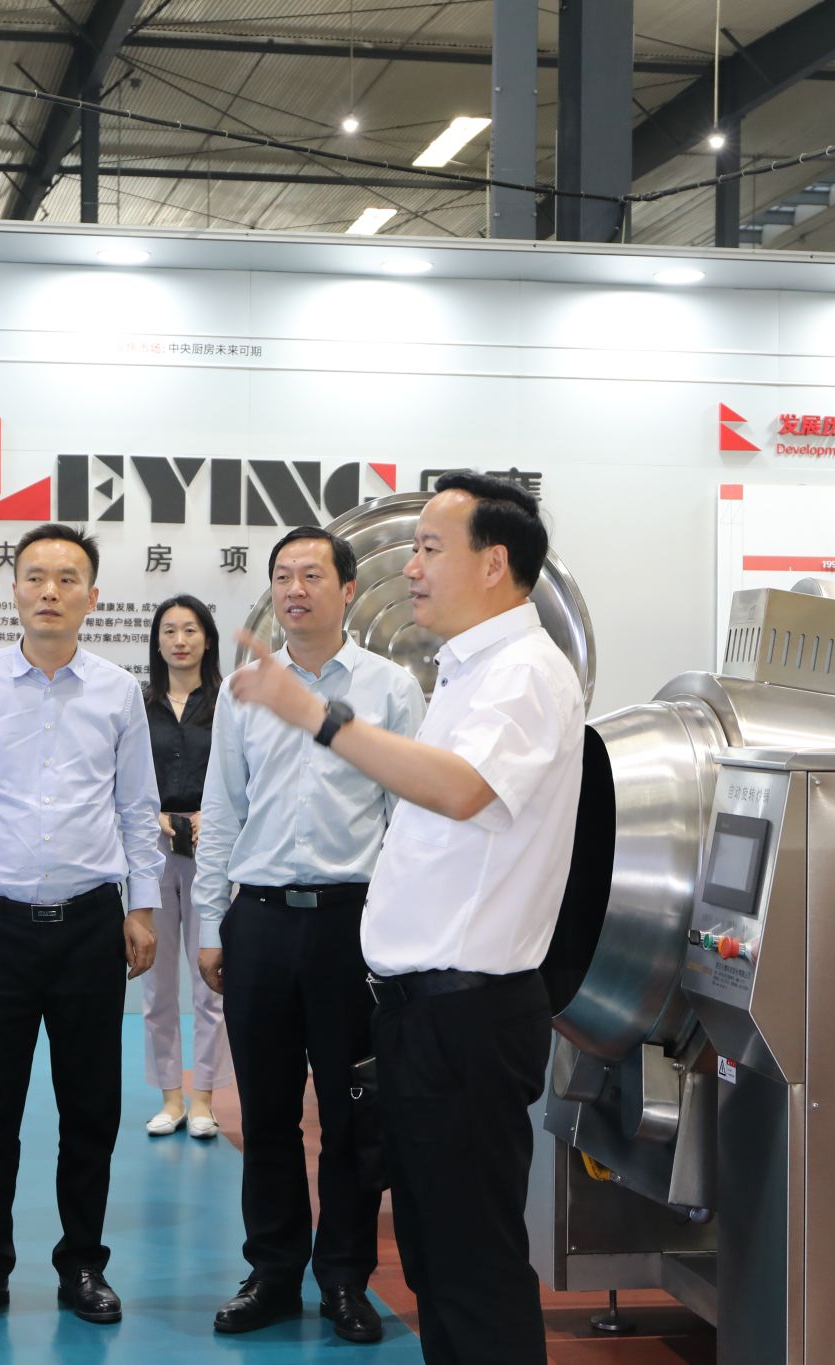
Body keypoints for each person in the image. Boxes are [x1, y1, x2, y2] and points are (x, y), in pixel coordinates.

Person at [225, 472, 583, 1364]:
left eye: (429, 548)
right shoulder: (468, 671)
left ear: (494, 562)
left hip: (469, 1014)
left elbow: (460, 789)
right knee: (434, 1255)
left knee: (473, 1262)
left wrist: (317, 717)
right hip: (424, 1013)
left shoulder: (524, 673)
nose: (410, 567)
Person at [0, 523, 162, 1328]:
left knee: (90, 1107)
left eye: (67, 578)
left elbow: (137, 806)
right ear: (15, 589)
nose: (50, 591)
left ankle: (82, 1264)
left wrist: (141, 906)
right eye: (35, 576)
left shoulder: (118, 691)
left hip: (91, 923)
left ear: (93, 596)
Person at [194, 527, 424, 1344]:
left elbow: (409, 818)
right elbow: (221, 808)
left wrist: (396, 934)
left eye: (312, 575)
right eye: (283, 575)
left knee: (352, 1114)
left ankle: (345, 1279)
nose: (295, 589)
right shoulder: (243, 691)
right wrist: (212, 920)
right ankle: (273, 1271)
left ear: (349, 589)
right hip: (258, 922)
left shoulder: (391, 688)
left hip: (352, 926)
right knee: (266, 1112)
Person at [140, 594, 230, 1140]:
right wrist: (151, 816)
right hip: (152, 851)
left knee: (210, 980)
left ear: (207, 640)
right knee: (157, 986)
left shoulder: (228, 702)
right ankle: (170, 1097)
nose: (179, 640)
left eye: (190, 629)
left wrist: (210, 815)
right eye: (169, 630)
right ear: (157, 643)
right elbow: (123, 777)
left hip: (210, 851)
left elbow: (240, 774)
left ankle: (204, 1100)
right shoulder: (139, 703)